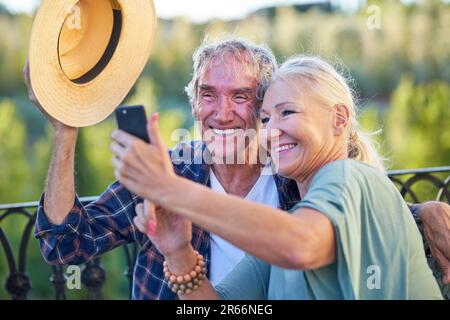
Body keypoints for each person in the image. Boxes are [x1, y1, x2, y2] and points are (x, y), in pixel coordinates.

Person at [25, 38, 449, 300]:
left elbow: (332, 224)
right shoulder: (170, 169)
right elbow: (64, 244)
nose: (222, 113)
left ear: (263, 110)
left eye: (242, 97)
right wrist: (66, 130)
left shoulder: (294, 175)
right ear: (194, 104)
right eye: (208, 95)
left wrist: (420, 214)